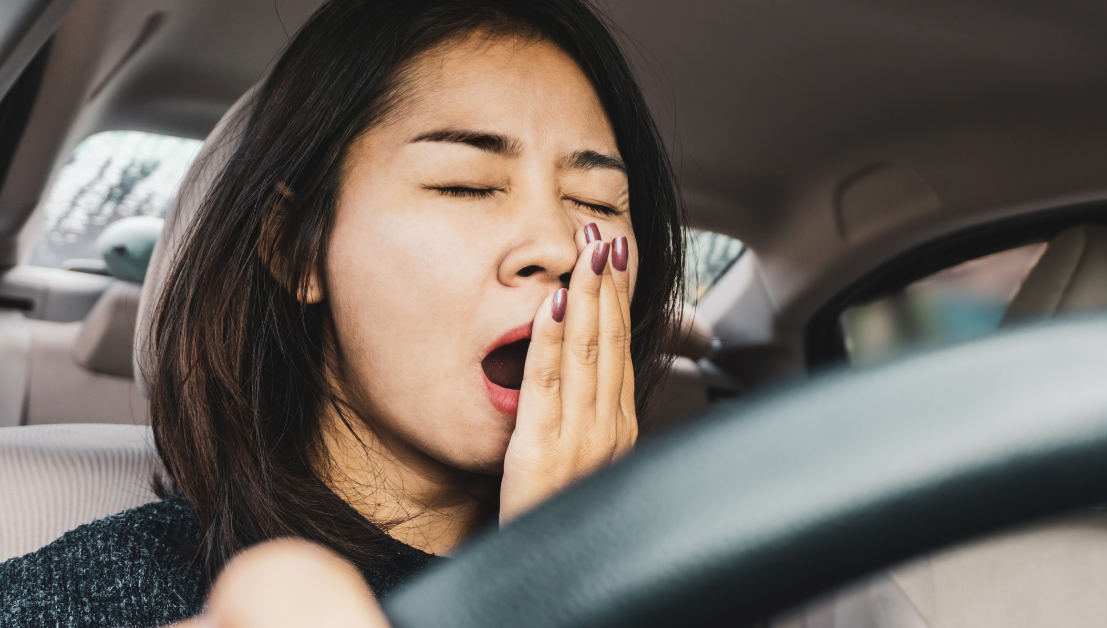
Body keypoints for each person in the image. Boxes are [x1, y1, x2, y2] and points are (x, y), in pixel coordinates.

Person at [0, 0, 685, 625]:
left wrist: (566, 569)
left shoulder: (716, 577)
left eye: (597, 203)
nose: (558, 245)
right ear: (298, 248)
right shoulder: (81, 597)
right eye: (466, 185)